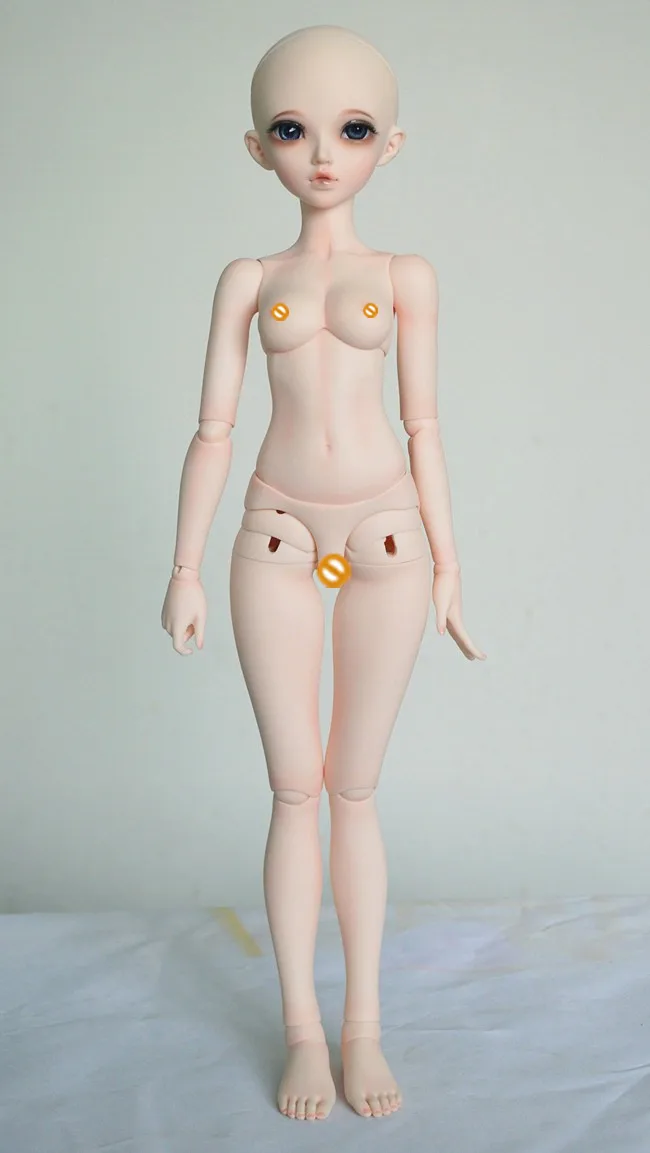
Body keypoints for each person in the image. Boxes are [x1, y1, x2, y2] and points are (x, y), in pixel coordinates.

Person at [161, 23, 486, 1122]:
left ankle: (363, 1028)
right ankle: (305, 1027)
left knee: (354, 786)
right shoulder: (249, 279)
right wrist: (184, 566)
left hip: (389, 535)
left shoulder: (405, 276)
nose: (320, 154)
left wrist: (451, 565)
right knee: (294, 785)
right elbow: (212, 430)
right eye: (292, 129)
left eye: (350, 130)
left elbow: (425, 424)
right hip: (275, 536)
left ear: (388, 144)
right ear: (257, 147)